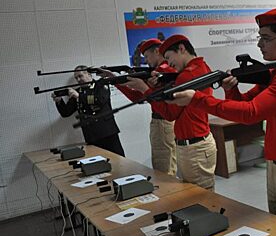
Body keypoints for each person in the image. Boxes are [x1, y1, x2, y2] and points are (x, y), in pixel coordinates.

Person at [168, 8, 276, 233]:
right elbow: (246, 102)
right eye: (260, 38)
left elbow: (251, 113)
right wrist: (231, 89)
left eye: (266, 39)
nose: (259, 45)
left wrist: (198, 99)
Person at [126, 35, 217, 190]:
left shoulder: (187, 75)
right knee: (201, 195)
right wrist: (163, 81)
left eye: (168, 57)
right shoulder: (200, 66)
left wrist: (144, 89)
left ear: (181, 49)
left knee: (202, 197)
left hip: (194, 146)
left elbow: (170, 114)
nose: (168, 63)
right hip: (198, 142)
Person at [99, 39, 177, 175]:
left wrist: (139, 85)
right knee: (164, 162)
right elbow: (137, 96)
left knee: (164, 166)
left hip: (163, 121)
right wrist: (114, 79)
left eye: (146, 56)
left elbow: (138, 97)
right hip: (161, 121)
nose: (146, 61)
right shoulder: (159, 71)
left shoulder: (164, 72)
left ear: (157, 51)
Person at [52, 66, 125, 156]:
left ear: (89, 74)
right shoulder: (78, 92)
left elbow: (99, 100)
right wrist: (59, 101)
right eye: (76, 78)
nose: (78, 79)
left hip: (107, 132)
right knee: (99, 163)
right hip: (90, 135)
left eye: (80, 76)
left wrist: (79, 97)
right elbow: (66, 112)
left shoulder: (100, 84)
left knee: (118, 159)